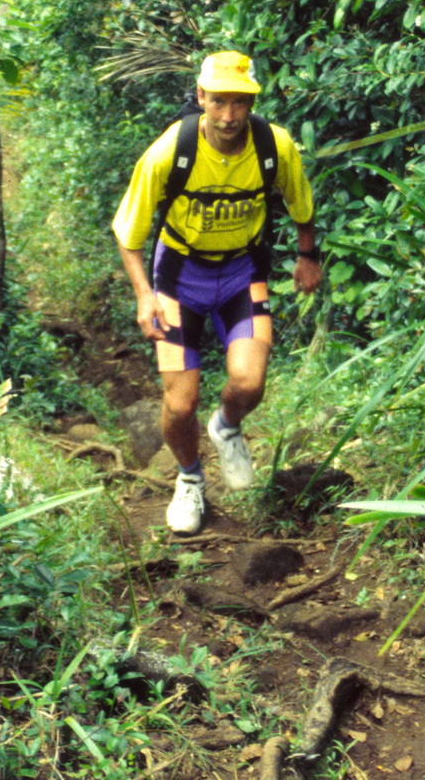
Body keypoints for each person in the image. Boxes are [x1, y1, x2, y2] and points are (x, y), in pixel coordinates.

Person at [112, 51, 322, 534]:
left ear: (251, 102)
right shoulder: (170, 152)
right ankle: (189, 480)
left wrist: (308, 256)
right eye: (219, 101)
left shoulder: (275, 146)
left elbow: (300, 204)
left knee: (249, 382)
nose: (229, 116)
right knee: (180, 402)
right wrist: (144, 295)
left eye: (240, 103)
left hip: (241, 270)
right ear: (201, 97)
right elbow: (129, 233)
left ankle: (226, 426)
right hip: (178, 277)